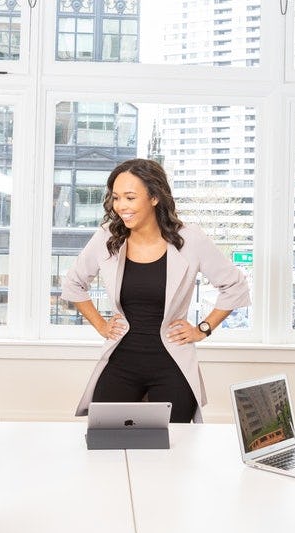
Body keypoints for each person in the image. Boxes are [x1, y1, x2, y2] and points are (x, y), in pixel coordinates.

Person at [62, 158, 250, 423]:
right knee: (106, 441)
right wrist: (102, 326)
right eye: (116, 198)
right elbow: (73, 283)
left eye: (130, 197)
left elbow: (235, 285)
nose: (121, 206)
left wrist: (203, 329)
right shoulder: (107, 237)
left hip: (172, 364)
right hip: (122, 361)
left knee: (173, 450)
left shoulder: (189, 239)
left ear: (154, 197)